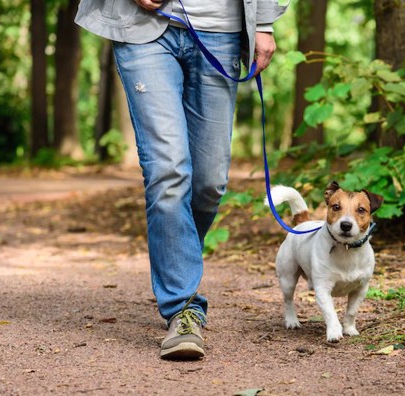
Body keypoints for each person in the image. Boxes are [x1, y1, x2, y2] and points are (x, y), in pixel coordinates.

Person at [74, 0, 288, 359]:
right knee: (168, 170)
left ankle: (178, 260)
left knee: (209, 184)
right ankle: (183, 307)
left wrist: (264, 22)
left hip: (220, 30)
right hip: (143, 27)